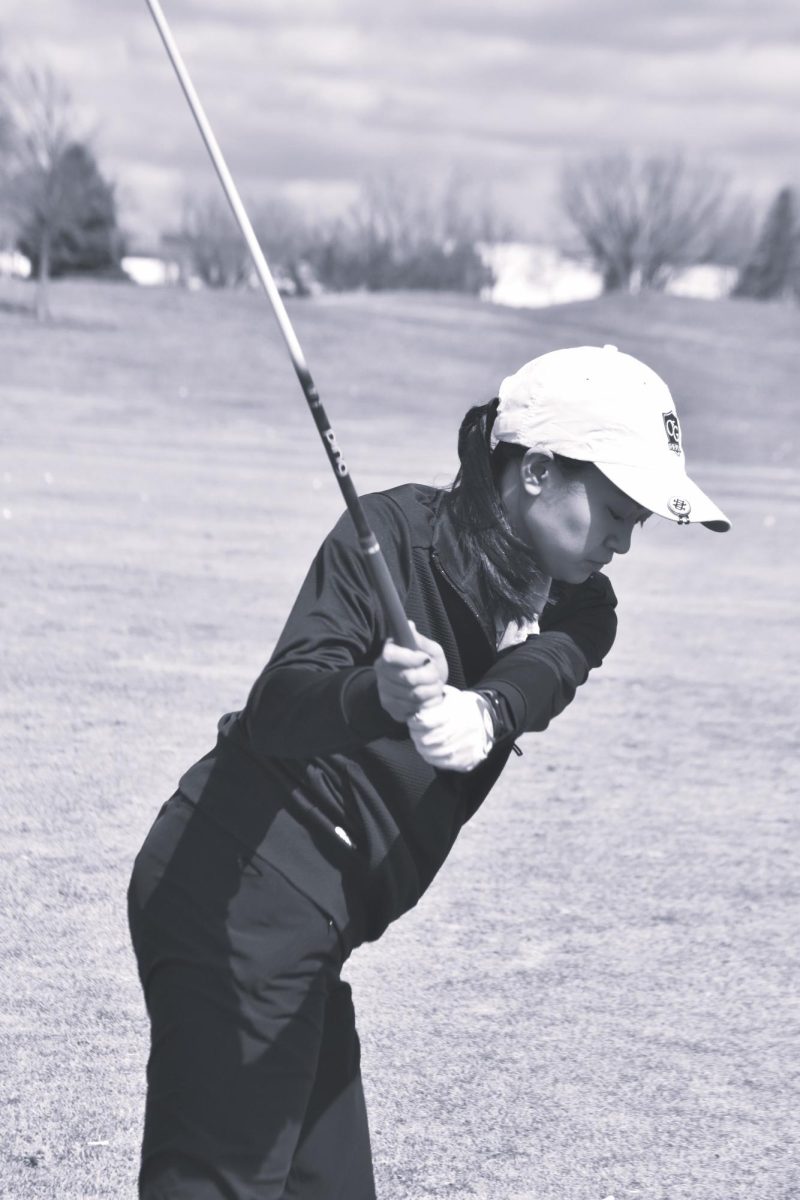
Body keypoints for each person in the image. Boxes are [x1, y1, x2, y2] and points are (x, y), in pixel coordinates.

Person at [127, 344, 730, 1199]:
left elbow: (542, 674)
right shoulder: (388, 536)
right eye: (616, 511)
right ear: (537, 473)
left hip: (311, 927)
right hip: (236, 886)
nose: (625, 543)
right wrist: (375, 693)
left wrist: (481, 713)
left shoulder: (584, 605)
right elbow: (281, 706)